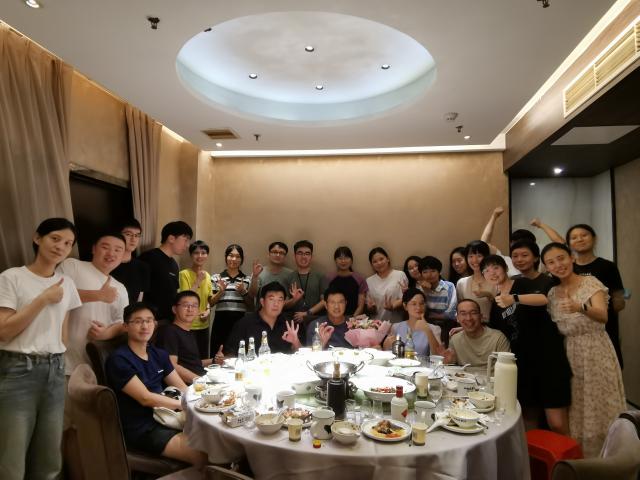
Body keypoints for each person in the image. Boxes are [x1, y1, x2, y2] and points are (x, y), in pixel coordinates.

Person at [0, 218, 81, 480]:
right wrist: (43, 299)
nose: (61, 247)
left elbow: (63, 333)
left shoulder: (67, 284)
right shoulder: (12, 277)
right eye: (55, 239)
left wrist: (57, 354)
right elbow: (4, 331)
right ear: (38, 238)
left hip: (55, 369)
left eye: (67, 243)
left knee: (49, 457)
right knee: (11, 457)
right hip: (17, 369)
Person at [542, 242, 625, 457]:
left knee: (600, 402)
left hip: (595, 349)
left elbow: (603, 315)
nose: (558, 265)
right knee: (578, 405)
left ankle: (610, 456)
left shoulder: (590, 282)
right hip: (569, 352)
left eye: (561, 258)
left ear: (571, 258)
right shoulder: (552, 293)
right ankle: (581, 458)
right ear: (547, 268)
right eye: (551, 262)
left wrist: (580, 307)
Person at [106, 302, 206, 466]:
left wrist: (202, 400)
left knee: (217, 443)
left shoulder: (158, 354)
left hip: (169, 416)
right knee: (203, 454)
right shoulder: (119, 359)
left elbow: (182, 387)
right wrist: (184, 404)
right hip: (143, 427)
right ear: (125, 326)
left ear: (155, 324)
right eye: (138, 321)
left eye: (149, 320)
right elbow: (145, 398)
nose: (145, 326)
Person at [482, 253, 571, 434]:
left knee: (557, 422)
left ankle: (569, 453)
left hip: (547, 357)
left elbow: (545, 299)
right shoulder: (496, 302)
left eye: (496, 267)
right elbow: (495, 332)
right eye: (486, 271)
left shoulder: (523, 284)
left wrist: (514, 298)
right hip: (522, 363)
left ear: (505, 268)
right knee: (528, 417)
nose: (492, 273)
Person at [532, 219, 627, 366]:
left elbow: (620, 296)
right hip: (571, 342)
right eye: (574, 237)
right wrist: (541, 225)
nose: (580, 239)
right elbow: (556, 247)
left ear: (594, 239)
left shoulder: (606, 266)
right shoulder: (558, 277)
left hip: (599, 330)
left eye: (584, 235)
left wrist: (606, 304)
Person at [58, 232, 129, 376]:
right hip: (63, 362)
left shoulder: (120, 287)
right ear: (94, 249)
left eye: (118, 250)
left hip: (97, 365)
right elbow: (55, 295)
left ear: (123, 256)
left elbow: (123, 324)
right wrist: (98, 295)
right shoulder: (73, 265)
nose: (111, 253)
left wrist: (107, 333)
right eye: (105, 247)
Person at [221, 282, 301, 358]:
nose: (276, 304)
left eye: (280, 300)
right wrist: (221, 359)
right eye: (271, 299)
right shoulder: (244, 324)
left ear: (284, 303)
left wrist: (295, 341)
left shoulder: (289, 324)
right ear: (262, 302)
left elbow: (300, 354)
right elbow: (230, 355)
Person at [155, 291, 216, 384]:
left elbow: (193, 363)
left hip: (199, 380)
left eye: (194, 306)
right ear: (174, 309)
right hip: (188, 386)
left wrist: (214, 360)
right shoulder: (169, 332)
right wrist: (201, 382)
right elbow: (171, 365)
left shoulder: (189, 332)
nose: (190, 309)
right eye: (185, 305)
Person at [139, 221, 193, 323]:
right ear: (171, 238)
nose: (187, 245)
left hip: (169, 320)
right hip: (150, 321)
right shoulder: (149, 258)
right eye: (185, 240)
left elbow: (173, 293)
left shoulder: (174, 264)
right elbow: (139, 292)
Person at [209, 244, 252, 356]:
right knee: (217, 354)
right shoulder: (216, 278)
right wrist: (221, 291)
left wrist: (243, 292)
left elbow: (252, 306)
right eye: (231, 255)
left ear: (242, 259)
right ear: (226, 257)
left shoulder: (247, 279)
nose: (234, 259)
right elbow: (211, 303)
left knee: (238, 354)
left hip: (240, 321)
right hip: (220, 321)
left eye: (238, 256)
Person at [444, 299, 510, 367]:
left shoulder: (498, 338)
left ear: (481, 316)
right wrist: (447, 362)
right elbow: (451, 368)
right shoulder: (455, 340)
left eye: (473, 313)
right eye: (463, 314)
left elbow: (507, 368)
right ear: (457, 318)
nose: (468, 318)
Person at [179, 240, 214, 358]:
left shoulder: (207, 276)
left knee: (203, 357)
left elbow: (208, 299)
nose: (200, 256)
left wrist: (208, 310)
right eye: (196, 253)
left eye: (203, 253)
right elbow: (185, 298)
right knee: (189, 359)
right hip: (188, 325)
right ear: (191, 255)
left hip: (204, 325)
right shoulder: (184, 274)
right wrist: (198, 281)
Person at [383, 289, 441, 357]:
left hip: (422, 363)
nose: (418, 307)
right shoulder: (396, 327)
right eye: (414, 304)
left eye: (422, 303)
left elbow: (439, 356)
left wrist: (428, 331)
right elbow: (388, 352)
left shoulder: (434, 329)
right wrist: (386, 346)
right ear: (405, 306)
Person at [284, 240, 326, 330]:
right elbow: (284, 304)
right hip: (293, 322)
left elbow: (324, 301)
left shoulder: (320, 276)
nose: (303, 256)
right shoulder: (288, 278)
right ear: (294, 256)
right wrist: (294, 300)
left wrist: (307, 313)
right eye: (300, 253)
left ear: (311, 257)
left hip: (316, 321)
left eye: (307, 253)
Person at [480, 206, 531, 277]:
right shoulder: (505, 260)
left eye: (524, 255)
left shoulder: (538, 262)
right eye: (516, 244)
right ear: (511, 244)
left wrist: (541, 225)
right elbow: (483, 244)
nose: (519, 259)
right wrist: (494, 216)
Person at [111, 218, 150, 304]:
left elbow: (139, 300)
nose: (133, 239)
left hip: (131, 311)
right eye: (128, 234)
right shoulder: (108, 264)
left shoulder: (142, 267)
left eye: (137, 235)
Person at [455, 240, 496, 323]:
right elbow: (460, 311)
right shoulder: (462, 283)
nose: (474, 260)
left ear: (486, 257)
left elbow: (504, 308)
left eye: (479, 256)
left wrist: (489, 296)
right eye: (470, 256)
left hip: (492, 326)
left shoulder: (496, 281)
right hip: (469, 326)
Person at [365, 247, 407, 323]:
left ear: (387, 259)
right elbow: (371, 309)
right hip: (376, 325)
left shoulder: (400, 275)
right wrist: (371, 308)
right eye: (375, 261)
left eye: (381, 259)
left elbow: (405, 298)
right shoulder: (369, 281)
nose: (379, 263)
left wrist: (393, 306)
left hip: (396, 324)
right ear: (372, 265)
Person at [325, 246, 368, 317]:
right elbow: (326, 302)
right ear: (335, 261)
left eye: (346, 258)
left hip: (354, 318)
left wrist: (352, 319)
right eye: (340, 258)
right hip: (334, 318)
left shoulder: (359, 279)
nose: (343, 261)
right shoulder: (329, 278)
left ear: (351, 260)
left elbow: (360, 306)